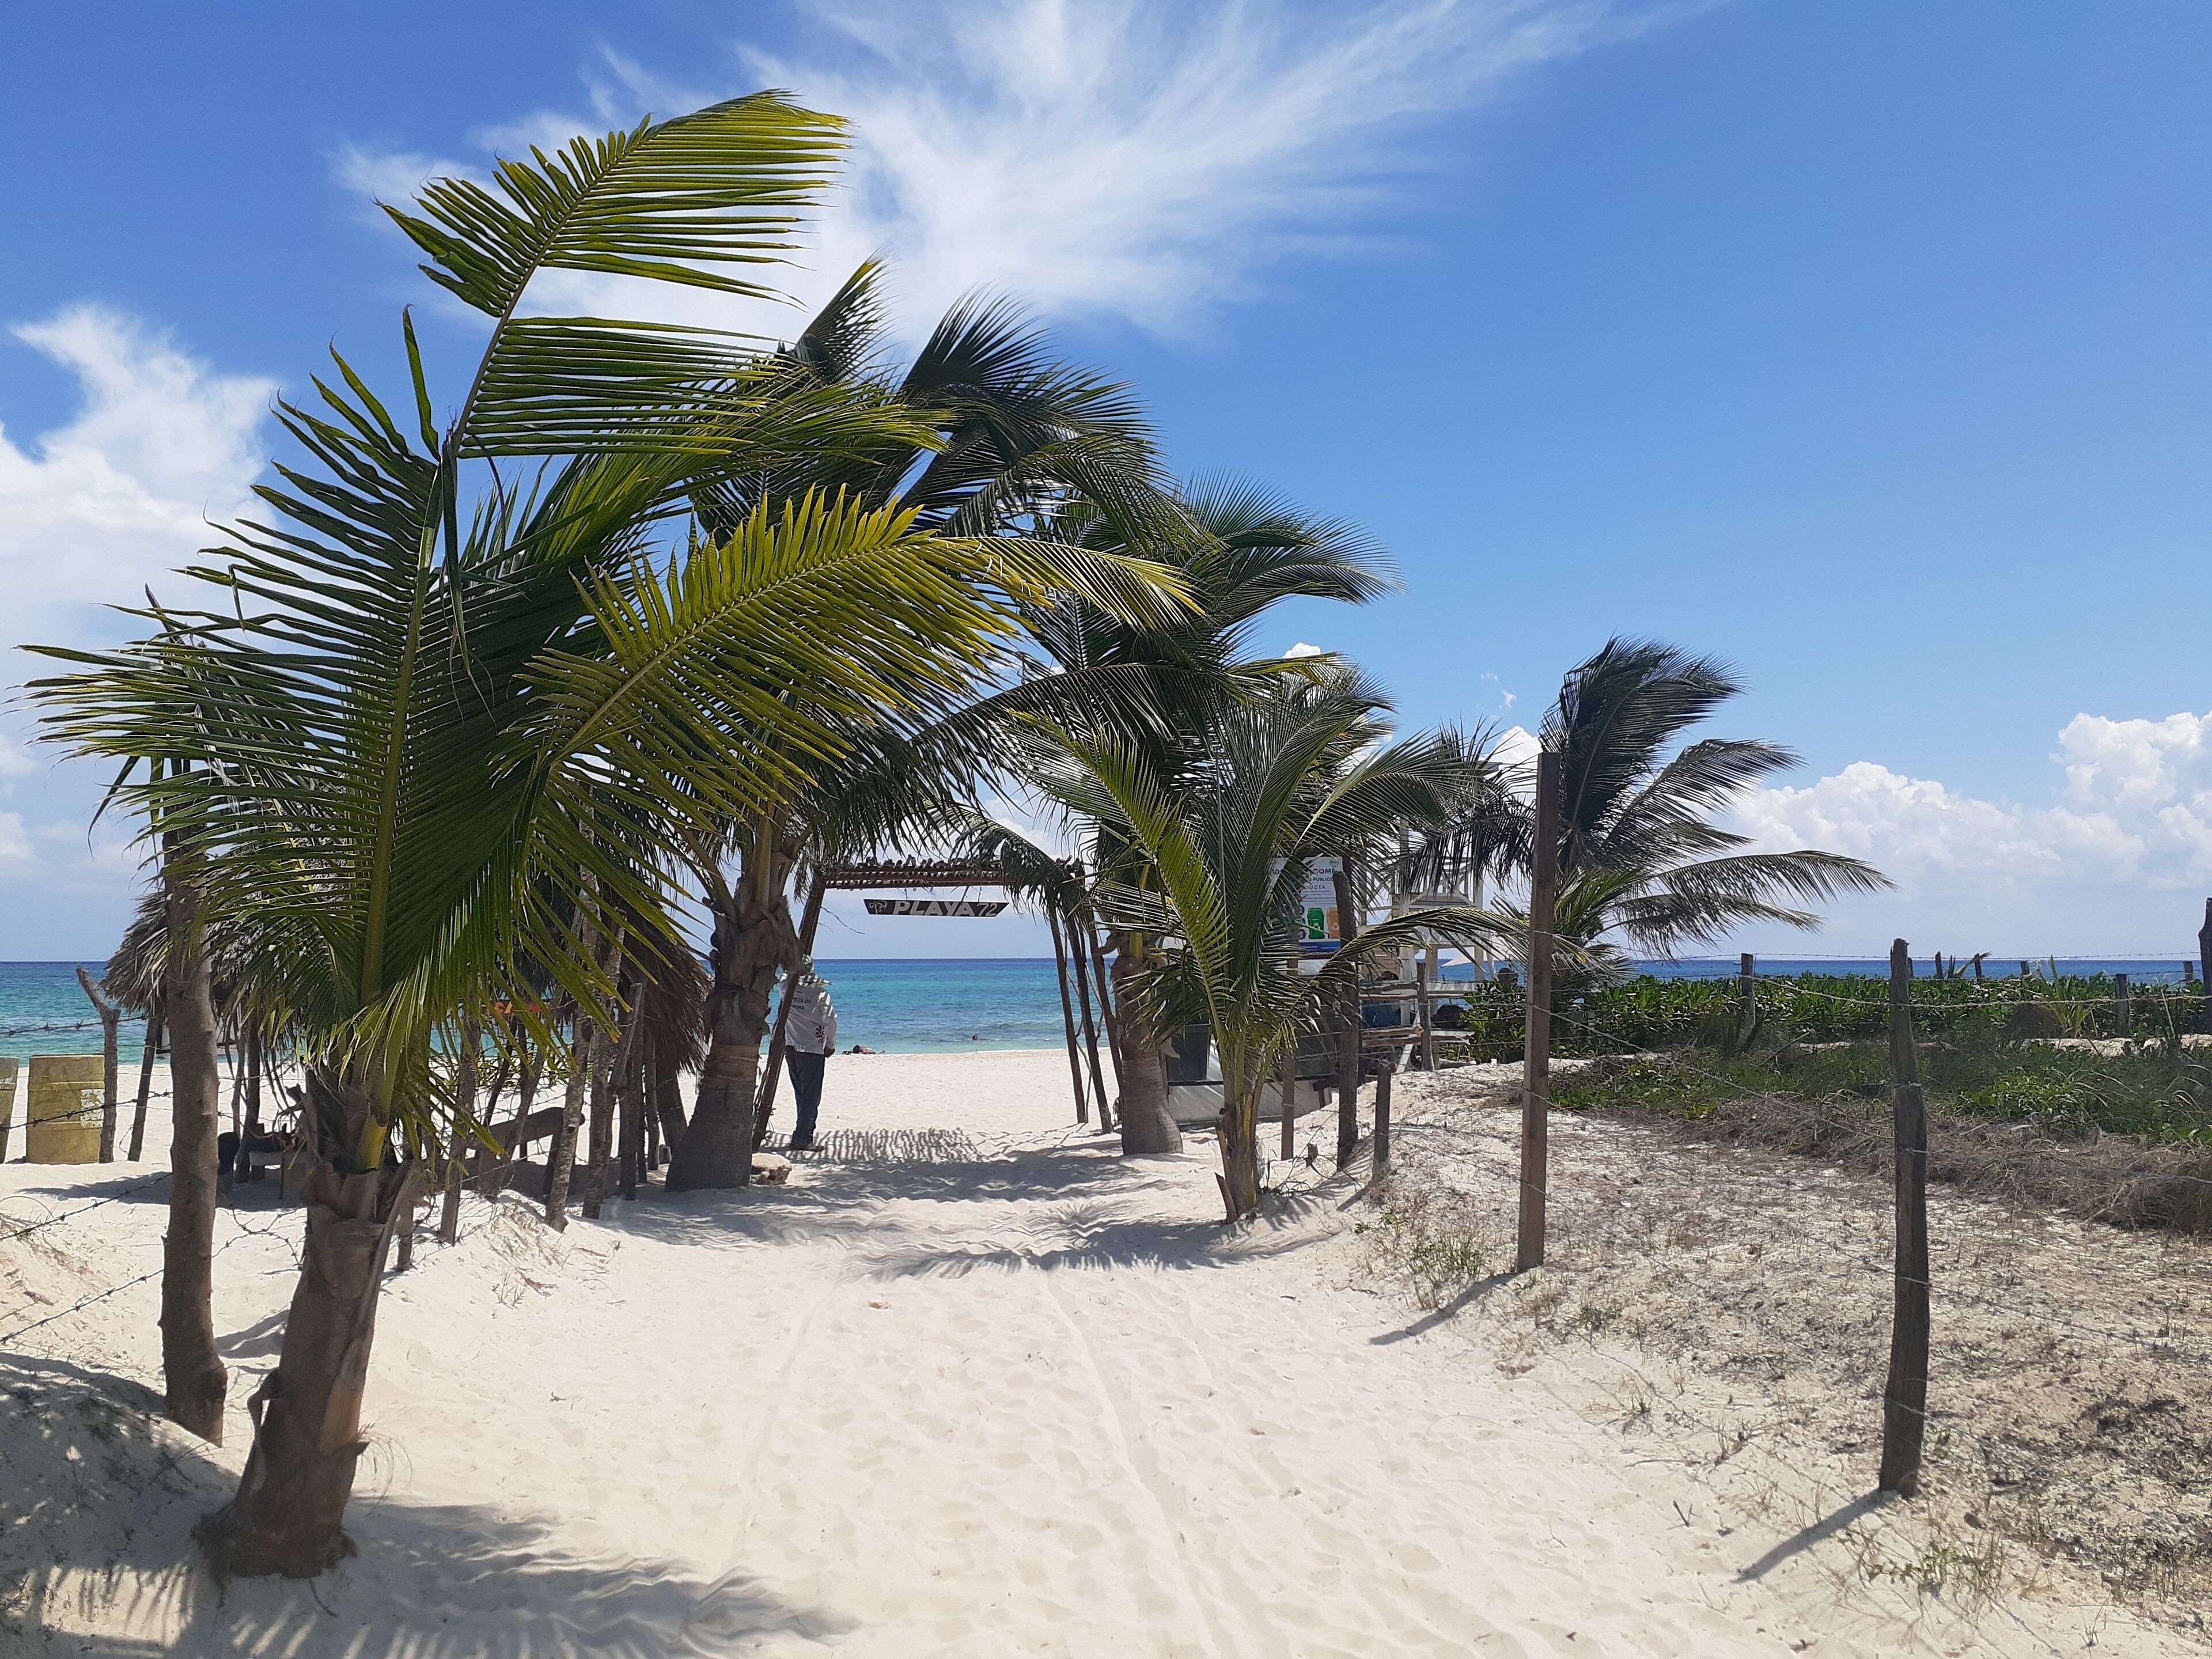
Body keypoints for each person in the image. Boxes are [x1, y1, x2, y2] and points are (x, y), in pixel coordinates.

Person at [782, 960, 837, 1152]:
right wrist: (830, 1044)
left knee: (801, 1093)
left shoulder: (786, 989)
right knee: (811, 1096)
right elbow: (830, 1019)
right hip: (813, 1049)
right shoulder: (820, 993)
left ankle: (801, 1133)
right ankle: (804, 1137)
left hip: (790, 1047)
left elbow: (783, 978)